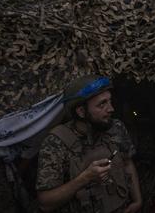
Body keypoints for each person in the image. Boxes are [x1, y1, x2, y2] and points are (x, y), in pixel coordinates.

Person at [36, 75, 142, 213]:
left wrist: (137, 201)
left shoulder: (115, 127)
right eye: (102, 104)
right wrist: (85, 178)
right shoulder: (56, 142)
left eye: (110, 101)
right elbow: (45, 202)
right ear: (81, 111)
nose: (111, 109)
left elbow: (127, 163)